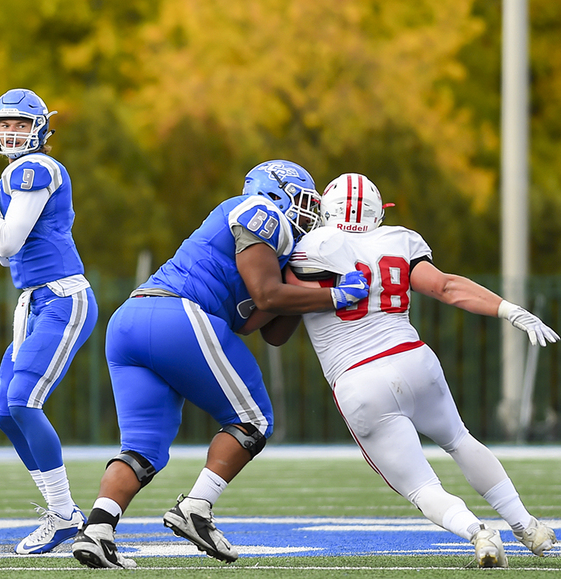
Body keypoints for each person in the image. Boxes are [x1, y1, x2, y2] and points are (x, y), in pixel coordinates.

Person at [70, 160, 370, 569]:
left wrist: (307, 282)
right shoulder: (259, 211)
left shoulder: (271, 247)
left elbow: (264, 328)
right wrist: (335, 297)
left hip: (130, 323)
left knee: (142, 451)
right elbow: (266, 295)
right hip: (175, 314)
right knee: (255, 420)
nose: (308, 214)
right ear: (275, 192)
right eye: (303, 201)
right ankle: (196, 507)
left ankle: (98, 531)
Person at [270, 173, 559, 568]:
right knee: (460, 440)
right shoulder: (398, 239)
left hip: (357, 377)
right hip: (413, 358)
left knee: (422, 487)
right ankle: (527, 526)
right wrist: (509, 310)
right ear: (378, 212)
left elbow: (277, 307)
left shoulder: (305, 248)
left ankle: (478, 534)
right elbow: (445, 287)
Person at [0, 88, 98, 554]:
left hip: (62, 298)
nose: (11, 132)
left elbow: (6, 245)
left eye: (20, 123)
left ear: (39, 128)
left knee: (23, 402)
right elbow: (7, 247)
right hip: (35, 302)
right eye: (4, 124)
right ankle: (61, 512)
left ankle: (64, 515)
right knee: (5, 410)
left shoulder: (35, 169)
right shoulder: (17, 172)